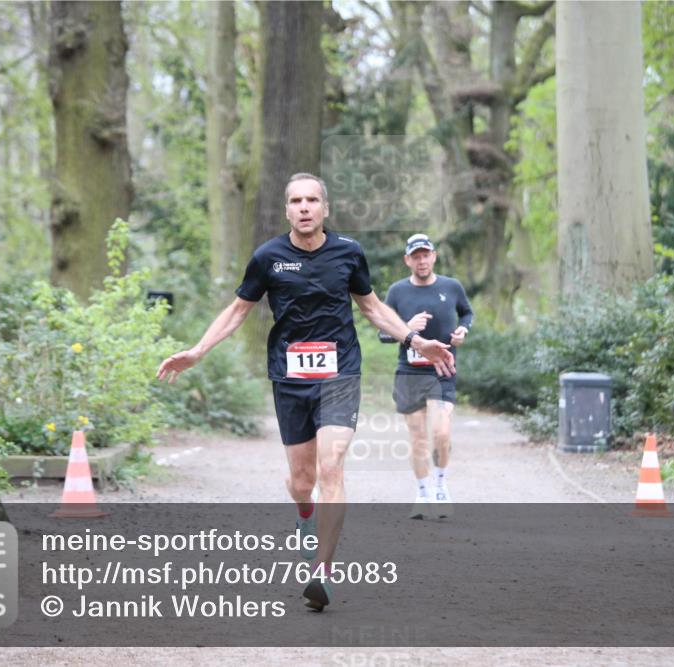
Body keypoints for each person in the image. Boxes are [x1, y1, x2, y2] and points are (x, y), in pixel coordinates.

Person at [157, 174, 455, 611]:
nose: (304, 207)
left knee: (331, 465)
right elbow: (238, 311)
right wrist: (198, 350)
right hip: (290, 377)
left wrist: (415, 342)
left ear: (325, 208)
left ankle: (322, 571)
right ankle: (304, 515)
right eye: (296, 200)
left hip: (340, 374)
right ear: (287, 210)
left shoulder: (348, 253)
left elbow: (371, 308)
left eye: (312, 200)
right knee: (302, 482)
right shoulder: (269, 258)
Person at [380, 233, 473, 519]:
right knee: (418, 438)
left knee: (441, 434)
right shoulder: (397, 292)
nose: (421, 261)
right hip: (409, 373)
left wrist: (463, 331)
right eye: (415, 256)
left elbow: (467, 314)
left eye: (426, 255)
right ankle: (423, 493)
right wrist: (406, 327)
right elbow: (383, 333)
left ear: (434, 256)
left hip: (443, 371)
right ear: (408, 260)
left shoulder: (451, 287)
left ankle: (442, 486)